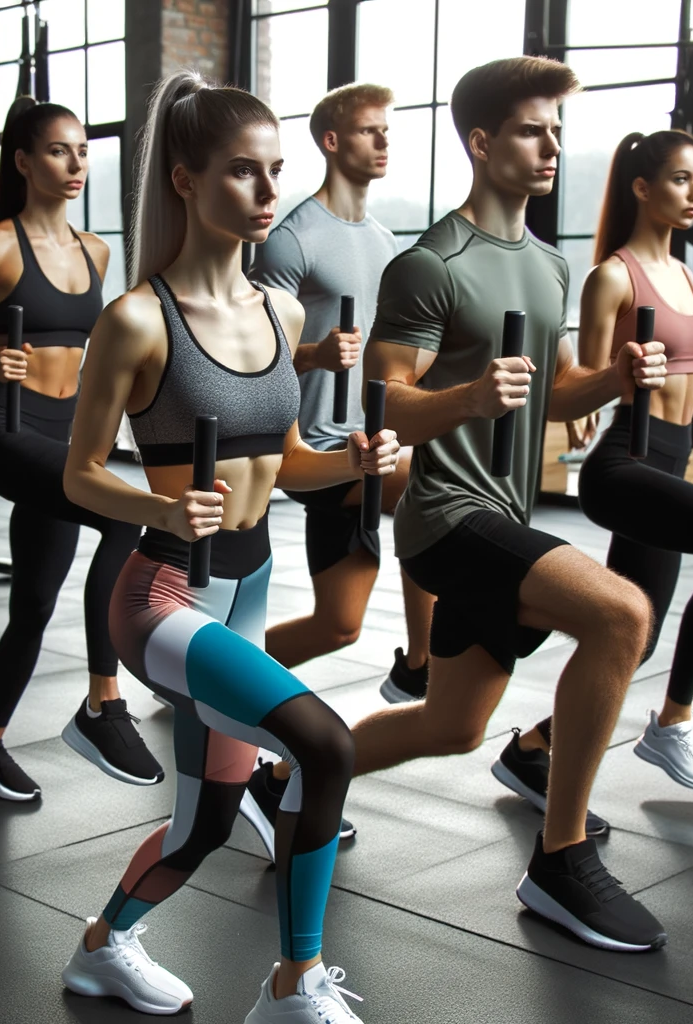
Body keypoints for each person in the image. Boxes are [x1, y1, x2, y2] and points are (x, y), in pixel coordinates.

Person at [59, 69, 399, 1023]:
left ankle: (103, 946)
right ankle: (293, 985)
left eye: (274, 172)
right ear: (184, 179)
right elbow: (79, 472)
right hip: (163, 595)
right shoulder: (136, 318)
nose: (264, 193)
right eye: (243, 173)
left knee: (207, 820)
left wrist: (357, 463)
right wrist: (160, 510)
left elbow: (283, 462)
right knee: (324, 747)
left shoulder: (281, 314)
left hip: (246, 584)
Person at [351, 55, 669, 953]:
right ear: (483, 142)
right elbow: (385, 403)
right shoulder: (428, 265)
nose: (552, 146)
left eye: (557, 131)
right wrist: (467, 400)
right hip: (445, 516)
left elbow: (554, 393)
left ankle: (292, 773)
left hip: (506, 514)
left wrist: (609, 377)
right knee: (621, 612)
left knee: (451, 726)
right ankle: (560, 862)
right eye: (533, 130)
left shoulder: (548, 265)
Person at [0, 97, 163, 798]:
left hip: (64, 441)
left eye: (83, 152)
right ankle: (103, 701)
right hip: (6, 432)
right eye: (60, 151)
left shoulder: (97, 250)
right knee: (126, 514)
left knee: (33, 601)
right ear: (24, 162)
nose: (76, 165)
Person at [243, 82, 436, 857]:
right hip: (320, 448)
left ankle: (222, 679)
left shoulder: (386, 242)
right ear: (330, 140)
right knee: (433, 488)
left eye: (388, 131)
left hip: (371, 441)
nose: (383, 144)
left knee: (338, 624)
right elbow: (247, 347)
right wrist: (316, 353)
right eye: (367, 132)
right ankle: (420, 667)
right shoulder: (294, 239)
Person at [492, 129, 693, 808]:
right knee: (633, 623)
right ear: (642, 188)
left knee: (632, 633)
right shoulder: (615, 275)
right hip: (628, 464)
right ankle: (671, 722)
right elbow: (580, 378)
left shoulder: (687, 275)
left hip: (675, 464)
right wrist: (592, 394)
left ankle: (530, 752)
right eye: (680, 179)